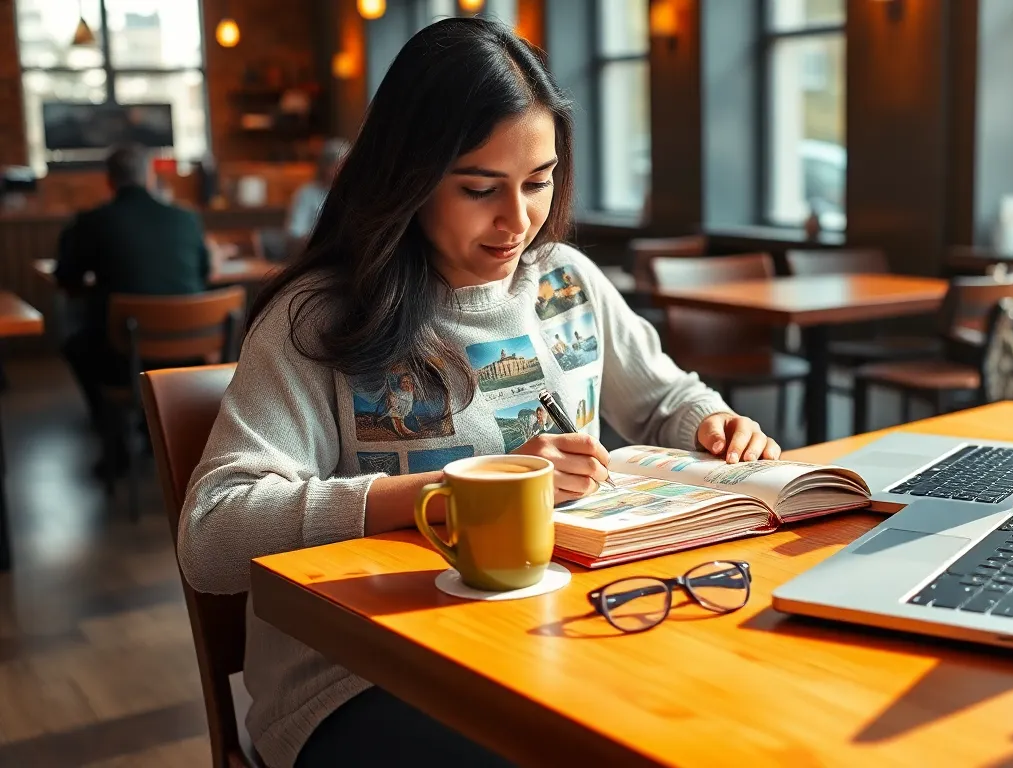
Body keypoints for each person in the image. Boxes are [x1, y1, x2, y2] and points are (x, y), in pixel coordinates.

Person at [177, 18, 780, 768]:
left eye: (539, 180)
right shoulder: (320, 320)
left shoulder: (565, 282)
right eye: (478, 188)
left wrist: (713, 421)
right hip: (357, 676)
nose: (518, 220)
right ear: (409, 175)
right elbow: (211, 534)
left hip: (549, 639)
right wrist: (446, 493)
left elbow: (662, 399)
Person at [55, 143, 211, 475]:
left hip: (121, 358)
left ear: (108, 181)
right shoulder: (186, 219)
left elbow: (65, 278)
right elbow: (203, 274)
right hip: (191, 359)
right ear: (150, 176)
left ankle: (114, 442)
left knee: (75, 344)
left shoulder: (92, 222)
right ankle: (151, 428)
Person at [285, 137, 350, 256]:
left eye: (344, 165)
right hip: (313, 256)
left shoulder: (351, 194)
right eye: (336, 165)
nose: (340, 170)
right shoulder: (306, 193)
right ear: (324, 166)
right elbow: (295, 234)